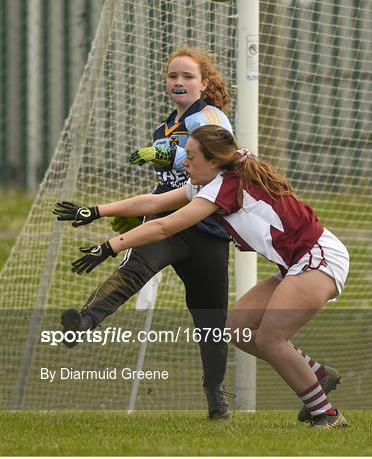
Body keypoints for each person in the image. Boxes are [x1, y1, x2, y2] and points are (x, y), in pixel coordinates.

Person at [54, 125, 350, 428]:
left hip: (320, 259)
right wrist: (95, 211)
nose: (185, 163)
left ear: (213, 162)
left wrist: (109, 247)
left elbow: (164, 227)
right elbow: (153, 203)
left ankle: (326, 414)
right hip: (298, 264)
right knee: (238, 329)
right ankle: (317, 375)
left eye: (191, 157)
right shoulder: (212, 181)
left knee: (270, 338)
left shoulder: (223, 187)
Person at [56, 46, 234, 420]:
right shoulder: (163, 128)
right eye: (173, 76)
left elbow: (221, 159)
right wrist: (101, 210)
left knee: (210, 320)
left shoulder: (209, 116)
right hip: (166, 225)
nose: (179, 81)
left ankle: (216, 396)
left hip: (207, 229)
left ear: (204, 82)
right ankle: (85, 322)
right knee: (132, 271)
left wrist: (166, 154)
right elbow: (165, 190)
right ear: (165, 82)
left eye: (188, 76)